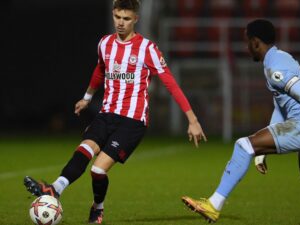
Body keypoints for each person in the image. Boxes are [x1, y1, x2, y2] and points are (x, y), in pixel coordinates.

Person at [24, 0, 206, 223]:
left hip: (132, 121)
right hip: (106, 113)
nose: (121, 23)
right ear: (113, 15)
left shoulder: (147, 48)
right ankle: (55, 189)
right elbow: (100, 69)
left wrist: (192, 119)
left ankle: (98, 207)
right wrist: (87, 97)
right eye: (118, 17)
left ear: (135, 19)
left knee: (98, 171)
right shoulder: (105, 43)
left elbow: (170, 83)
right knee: (84, 150)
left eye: (126, 18)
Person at [181, 19, 300, 225]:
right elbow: (280, 106)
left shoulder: (275, 69)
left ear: (256, 42)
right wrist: (261, 153)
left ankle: (213, 205)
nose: (247, 47)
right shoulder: (281, 57)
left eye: (248, 42)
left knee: (243, 145)